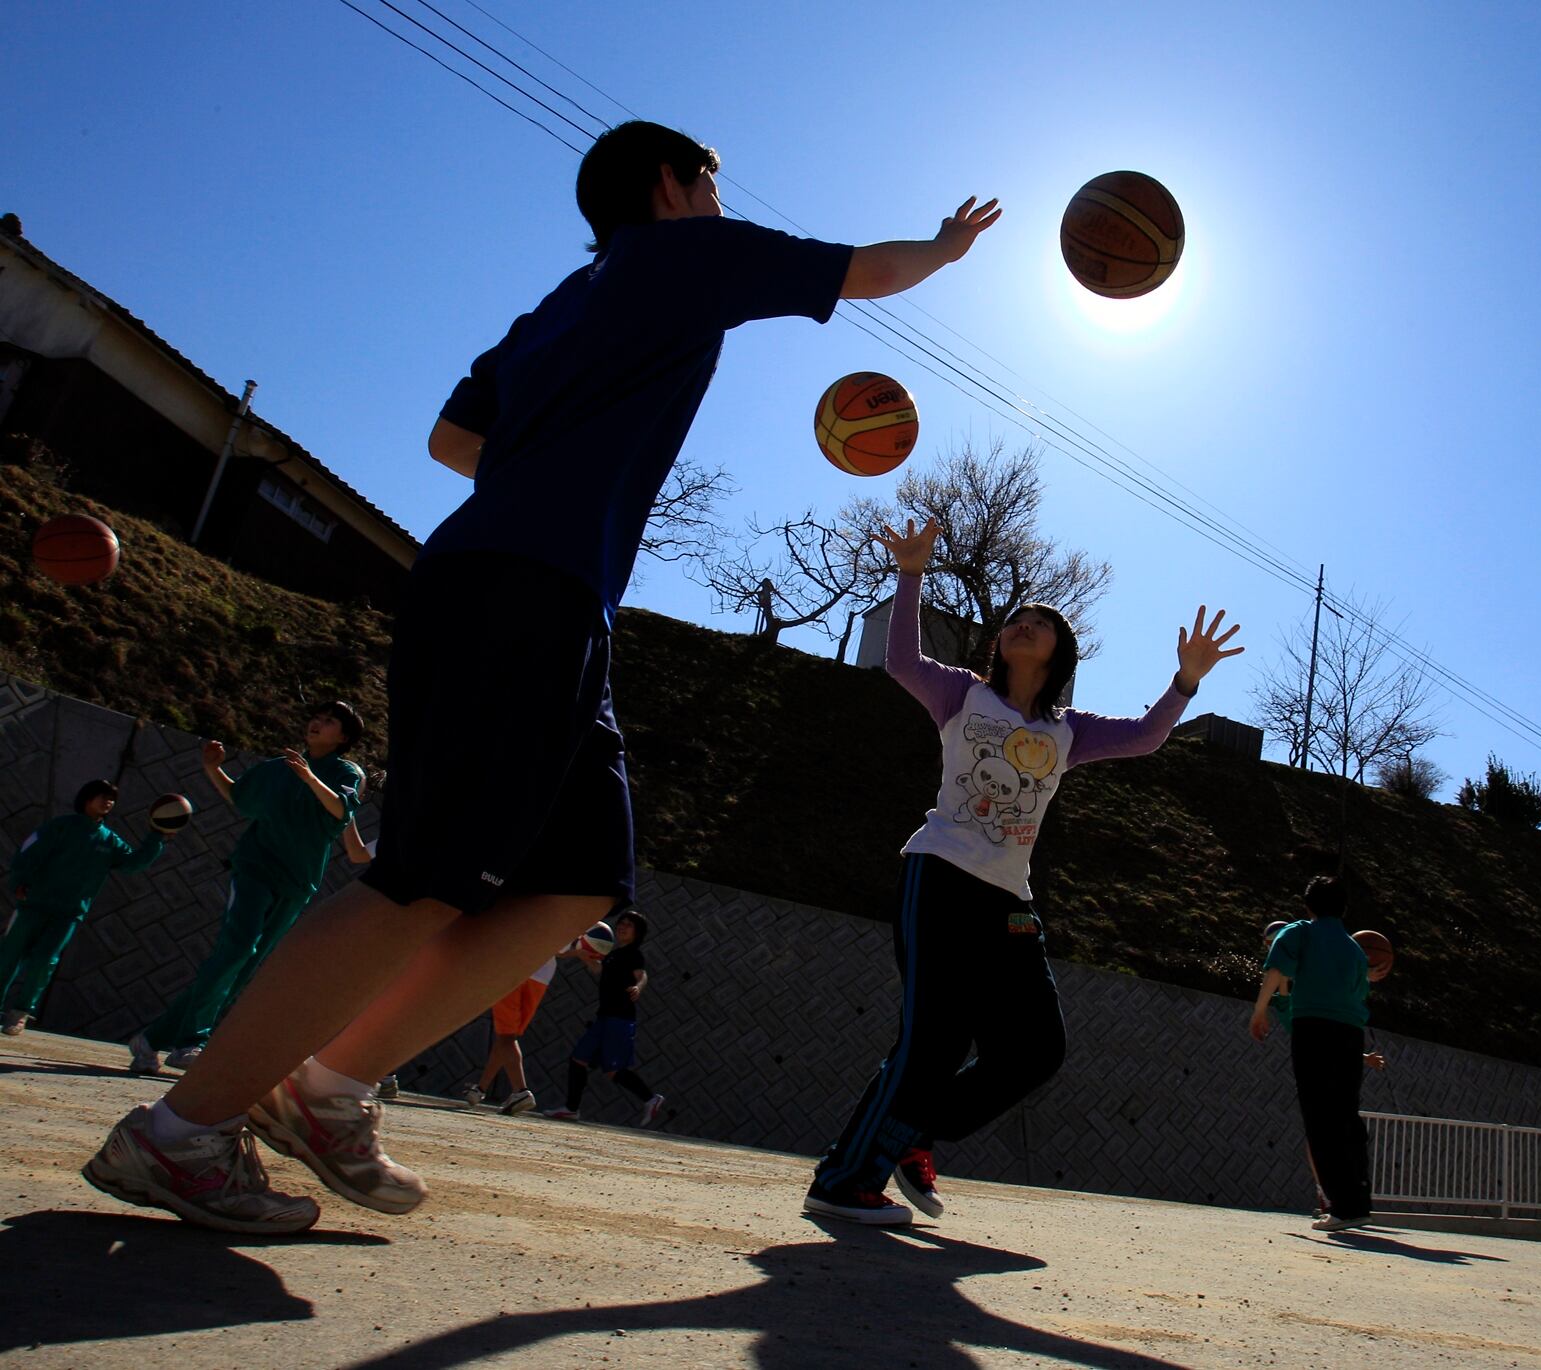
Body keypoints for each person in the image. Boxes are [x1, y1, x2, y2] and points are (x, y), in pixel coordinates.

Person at [82, 119, 999, 1234]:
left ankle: (324, 1090)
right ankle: (181, 1130)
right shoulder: (688, 253)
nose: (720, 197)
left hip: (529, 587)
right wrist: (946, 248)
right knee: (421, 875)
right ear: (672, 184)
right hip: (520, 589)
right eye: (711, 180)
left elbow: (449, 438)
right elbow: (865, 270)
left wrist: (559, 459)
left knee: (576, 877)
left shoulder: (561, 305)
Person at [806, 516, 1243, 1225]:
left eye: (1038, 621)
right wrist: (911, 573)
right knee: (932, 1041)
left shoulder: (1066, 732)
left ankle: (916, 1129)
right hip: (941, 875)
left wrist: (1185, 681)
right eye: (1015, 617)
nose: (1022, 622)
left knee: (1037, 1048)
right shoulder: (961, 695)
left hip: (1009, 902)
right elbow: (901, 664)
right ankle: (845, 1178)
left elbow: (1148, 736)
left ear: (1059, 651)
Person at [130, 706, 365, 1072]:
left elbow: (340, 811)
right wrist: (212, 768)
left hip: (298, 881)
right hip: (255, 868)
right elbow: (241, 798)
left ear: (344, 738)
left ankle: (153, 1039)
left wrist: (308, 778)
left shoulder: (347, 772)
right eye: (316, 716)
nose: (316, 722)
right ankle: (193, 1041)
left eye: (329, 721)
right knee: (237, 948)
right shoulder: (277, 768)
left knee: (244, 966)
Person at [1250, 872, 1376, 1233]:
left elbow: (1277, 970)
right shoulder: (1355, 949)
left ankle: (1341, 1206)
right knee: (1345, 1114)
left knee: (1319, 1116)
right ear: (1345, 907)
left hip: (1314, 1026)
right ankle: (1358, 1201)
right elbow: (1360, 992)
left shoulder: (1298, 931)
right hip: (1351, 1032)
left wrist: (1259, 1010)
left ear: (1307, 905)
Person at [2, 781, 174, 1035]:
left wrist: (156, 836)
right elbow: (29, 851)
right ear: (87, 799)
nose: (108, 802)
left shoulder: (109, 840)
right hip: (34, 904)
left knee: (44, 962)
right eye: (103, 796)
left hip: (69, 914)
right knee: (9, 956)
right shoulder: (61, 826)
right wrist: (19, 880)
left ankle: (20, 1012)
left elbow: (132, 864)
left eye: (112, 799)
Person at [542, 910, 662, 1125]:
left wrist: (638, 987)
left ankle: (651, 1099)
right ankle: (571, 1108)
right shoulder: (613, 954)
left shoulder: (633, 954)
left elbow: (642, 975)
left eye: (629, 925)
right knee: (578, 1059)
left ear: (638, 932)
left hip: (620, 1018)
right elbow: (599, 971)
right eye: (621, 923)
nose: (622, 927)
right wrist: (577, 954)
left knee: (613, 1070)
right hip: (604, 1017)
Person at [458, 946, 565, 1116]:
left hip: (514, 967)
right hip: (542, 975)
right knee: (507, 1037)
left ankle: (520, 1091)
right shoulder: (562, 920)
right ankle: (480, 1089)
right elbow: (561, 948)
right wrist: (582, 950)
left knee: (506, 1035)